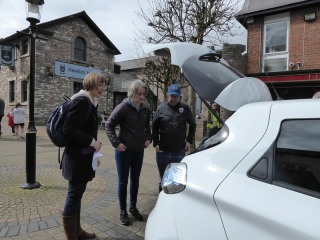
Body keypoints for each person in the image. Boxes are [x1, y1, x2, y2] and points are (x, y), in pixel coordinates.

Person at [61, 72, 106, 239]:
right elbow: (69, 129)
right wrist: (92, 142)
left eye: (104, 85)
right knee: (73, 196)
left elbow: (85, 129)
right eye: (100, 85)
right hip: (76, 158)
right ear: (92, 85)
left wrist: (95, 153)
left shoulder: (91, 102)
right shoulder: (81, 101)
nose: (103, 88)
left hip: (84, 157)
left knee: (77, 194)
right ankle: (71, 235)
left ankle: (77, 231)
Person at [105, 80, 152, 226]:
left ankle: (132, 207)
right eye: (139, 94)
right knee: (123, 182)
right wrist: (116, 143)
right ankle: (123, 211)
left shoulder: (145, 109)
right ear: (132, 93)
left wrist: (148, 139)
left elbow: (147, 128)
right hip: (124, 152)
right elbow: (109, 125)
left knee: (135, 181)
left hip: (138, 152)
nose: (142, 97)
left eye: (143, 94)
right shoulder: (122, 108)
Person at [152, 84, 196, 192]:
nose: (173, 98)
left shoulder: (185, 109)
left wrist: (189, 141)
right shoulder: (160, 109)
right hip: (162, 151)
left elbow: (193, 124)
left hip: (178, 151)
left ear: (179, 97)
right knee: (163, 179)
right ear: (167, 95)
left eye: (176, 96)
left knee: (176, 181)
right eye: (171, 96)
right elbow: (154, 126)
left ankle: (173, 200)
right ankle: (161, 200)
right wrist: (155, 143)